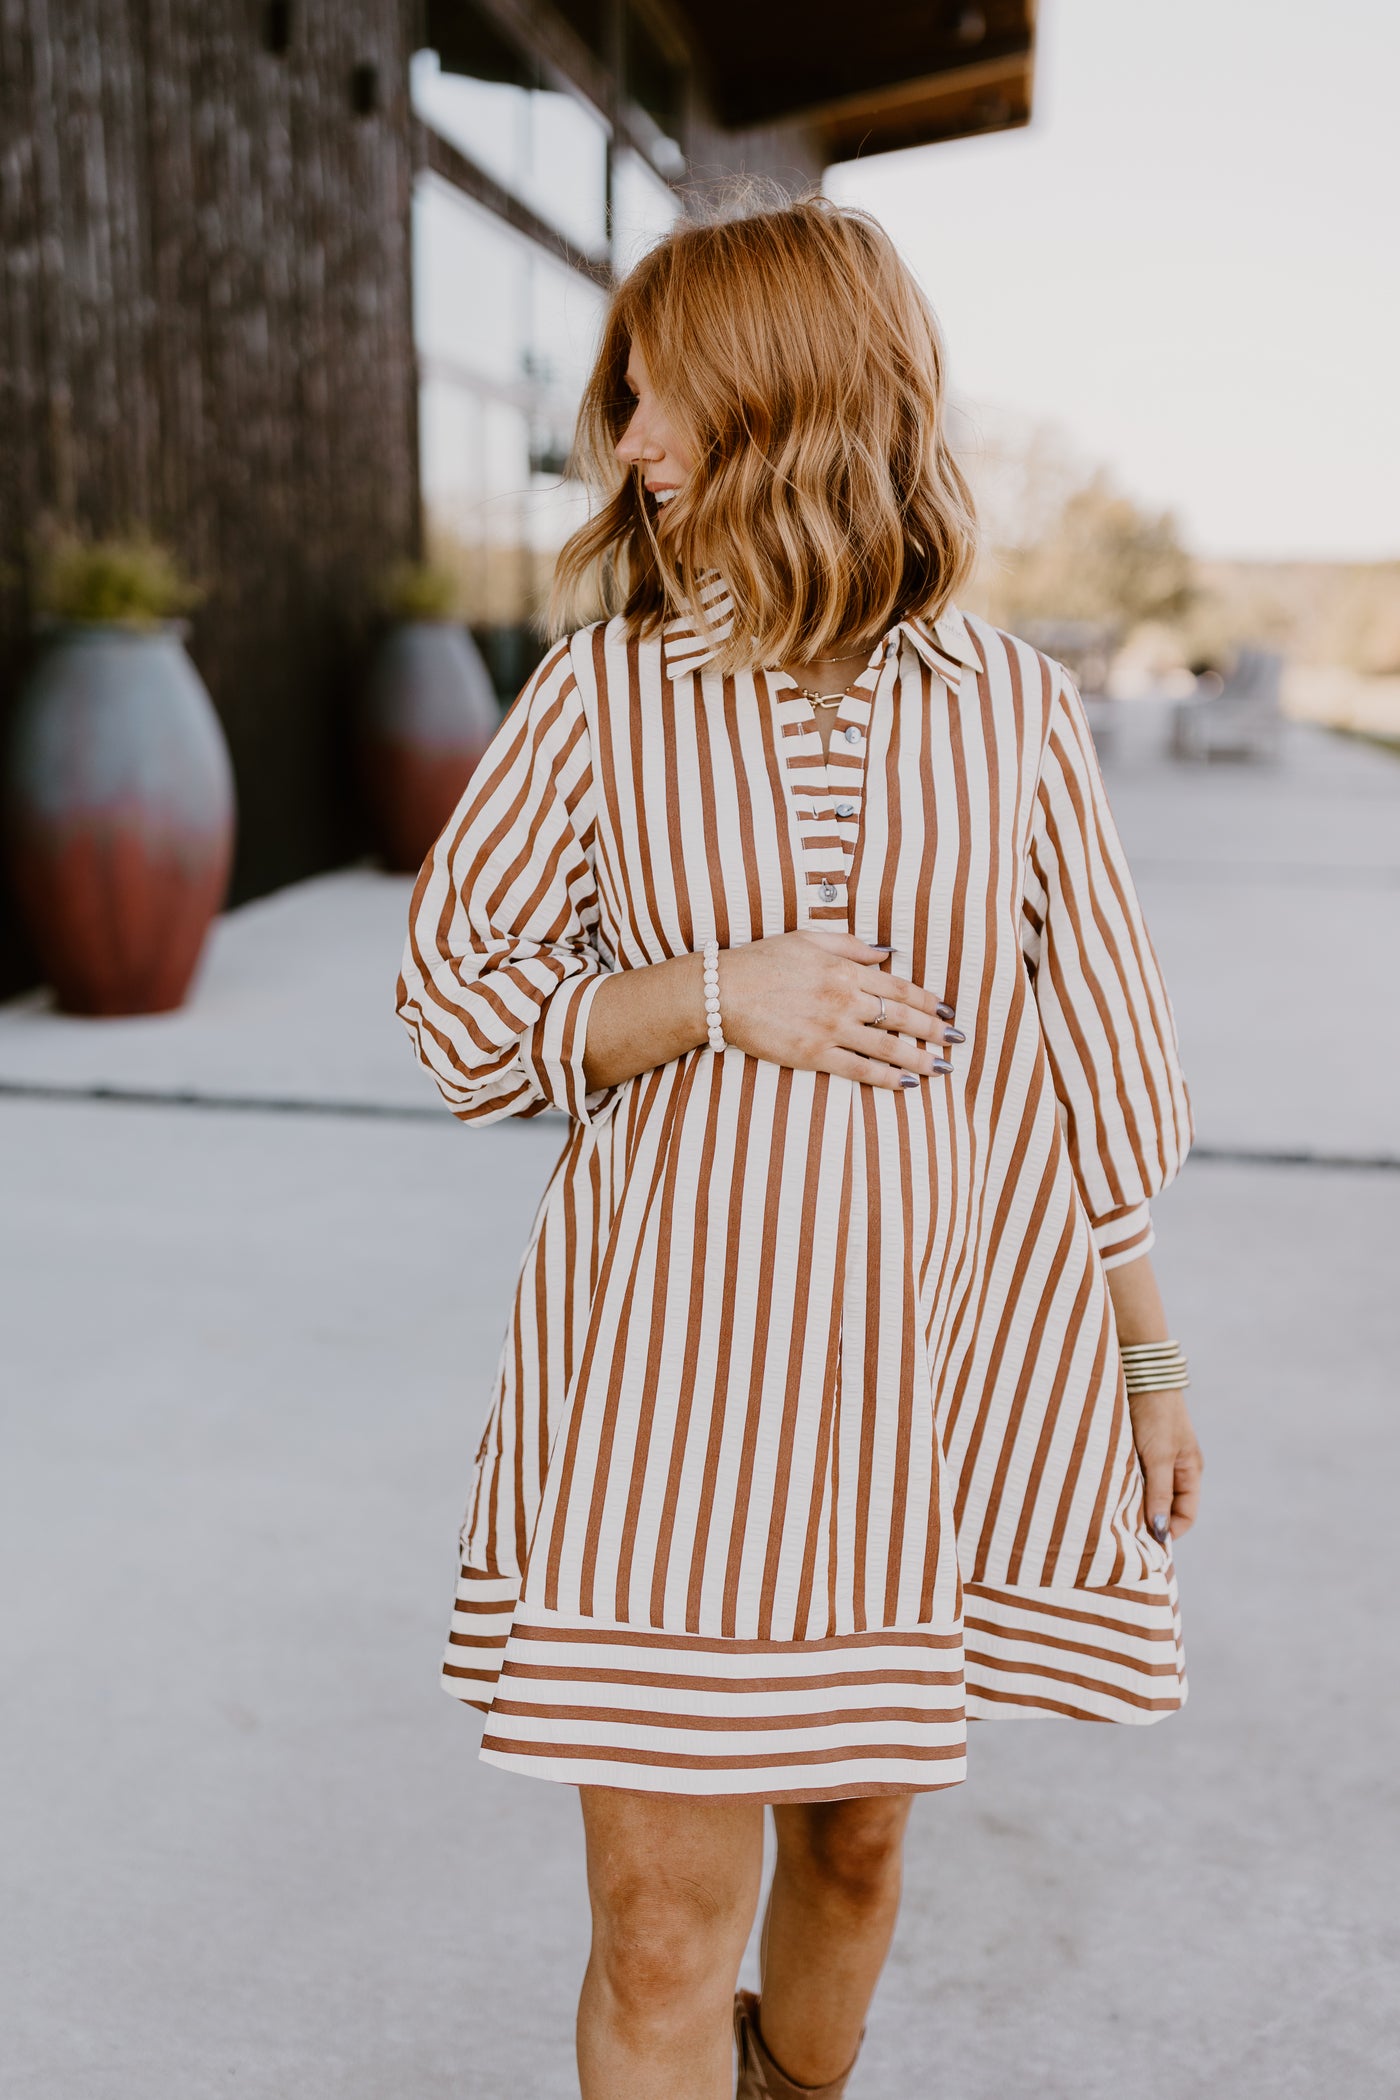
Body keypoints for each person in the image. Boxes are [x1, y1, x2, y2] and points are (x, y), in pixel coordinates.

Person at [396, 194, 1203, 2100]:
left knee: (858, 1843)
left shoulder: (1013, 713)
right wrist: (710, 990)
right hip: (673, 1390)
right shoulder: (597, 700)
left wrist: (1149, 1355)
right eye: (624, 402)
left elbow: (1085, 1052)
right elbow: (452, 1011)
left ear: (791, 399)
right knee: (665, 1925)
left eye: (659, 397)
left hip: (939, 1363)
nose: (632, 447)